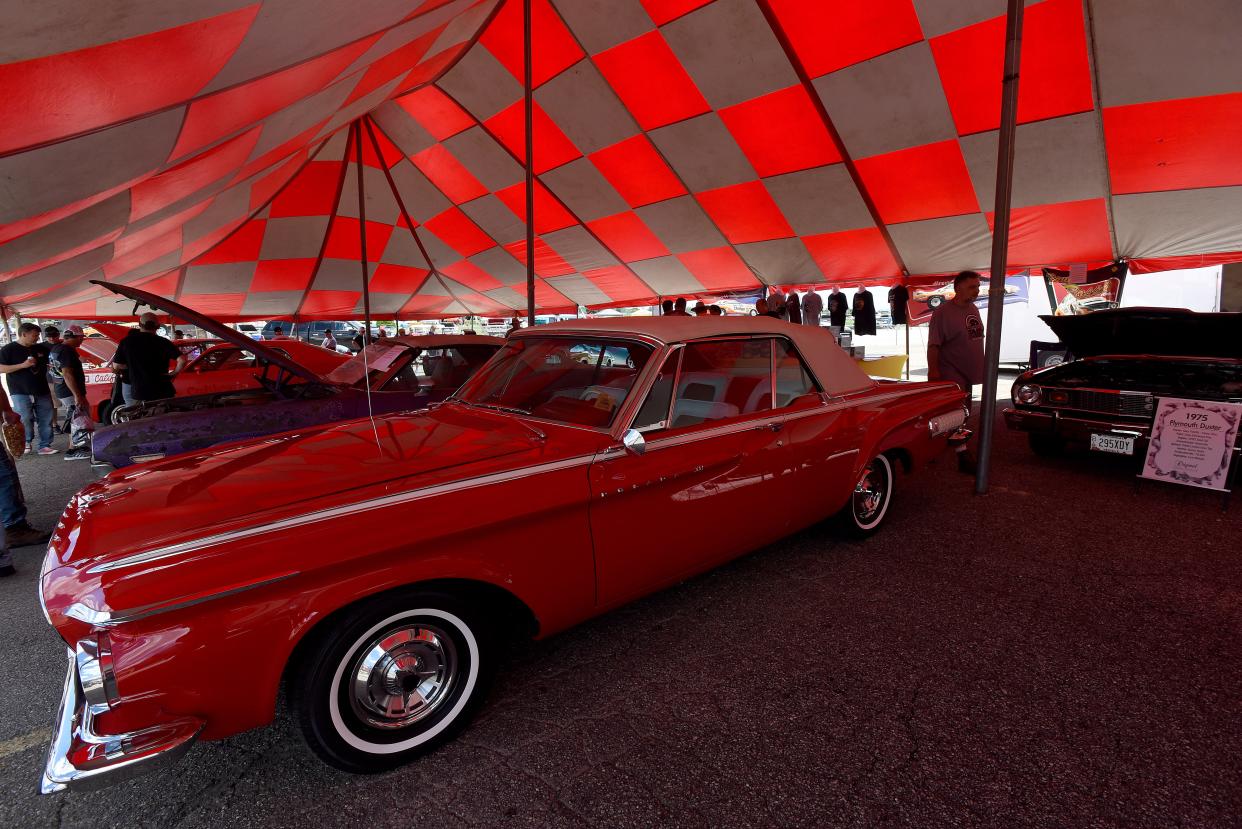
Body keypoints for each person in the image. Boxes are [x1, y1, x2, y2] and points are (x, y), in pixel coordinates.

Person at [928, 271, 985, 475]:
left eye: (978, 287)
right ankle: (962, 454)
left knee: (963, 412)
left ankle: (934, 449)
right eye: (972, 287)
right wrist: (933, 372)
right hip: (951, 370)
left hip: (968, 371)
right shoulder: (942, 312)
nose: (977, 290)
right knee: (956, 413)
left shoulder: (973, 308)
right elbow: (934, 345)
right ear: (958, 288)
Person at [0, 322, 56, 454]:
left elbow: (53, 354)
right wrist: (22, 365)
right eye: (34, 335)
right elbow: (1, 368)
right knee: (24, 418)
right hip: (19, 390)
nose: (37, 338)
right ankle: (26, 442)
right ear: (24, 334)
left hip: (41, 389)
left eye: (38, 335)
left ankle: (45, 445)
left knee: (46, 417)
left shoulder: (40, 348)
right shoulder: (8, 349)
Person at [111, 313, 183, 405]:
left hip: (139, 391)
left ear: (139, 325)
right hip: (163, 389)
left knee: (139, 417)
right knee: (164, 417)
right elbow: (182, 359)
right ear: (158, 326)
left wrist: (133, 367)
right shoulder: (164, 342)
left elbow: (117, 365)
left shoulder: (127, 342)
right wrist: (174, 373)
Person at [49, 326, 92, 461]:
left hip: (62, 389)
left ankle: (78, 446)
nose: (82, 340)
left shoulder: (57, 348)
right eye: (81, 337)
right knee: (76, 419)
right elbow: (67, 373)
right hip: (69, 391)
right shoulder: (67, 351)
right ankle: (72, 450)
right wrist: (77, 395)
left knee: (76, 418)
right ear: (76, 337)